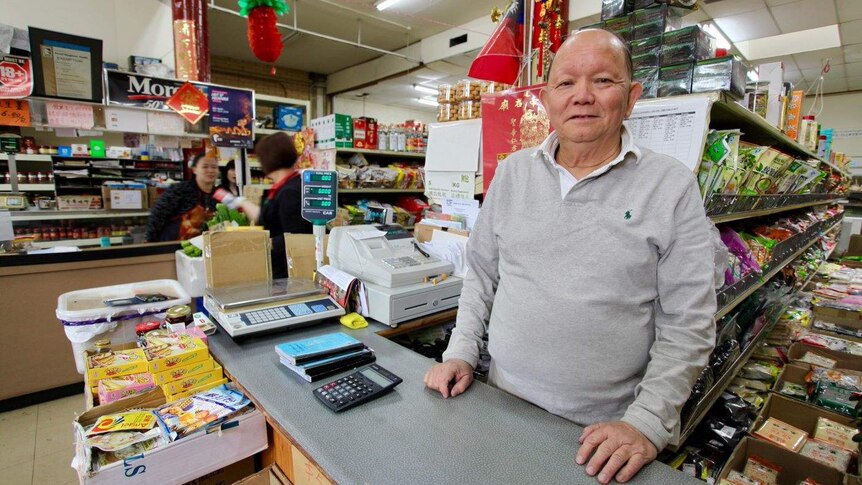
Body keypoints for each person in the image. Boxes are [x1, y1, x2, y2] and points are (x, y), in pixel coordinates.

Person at [424, 29, 720, 484]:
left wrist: (646, 422)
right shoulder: (512, 173)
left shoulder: (670, 185)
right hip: (500, 402)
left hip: (604, 435)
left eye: (603, 80)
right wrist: (461, 352)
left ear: (632, 96)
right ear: (545, 98)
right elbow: (482, 274)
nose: (582, 96)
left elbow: (690, 320)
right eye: (566, 83)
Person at [215, 132, 311, 278]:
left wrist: (255, 243)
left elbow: (294, 239)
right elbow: (269, 219)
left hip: (288, 273)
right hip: (280, 267)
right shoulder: (284, 186)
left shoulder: (290, 191)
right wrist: (242, 202)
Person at [145, 153, 218, 242]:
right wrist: (151, 243)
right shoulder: (179, 190)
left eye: (214, 167)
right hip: (171, 246)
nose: (210, 170)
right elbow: (157, 216)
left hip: (201, 248)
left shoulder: (218, 195)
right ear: (194, 170)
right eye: (205, 167)